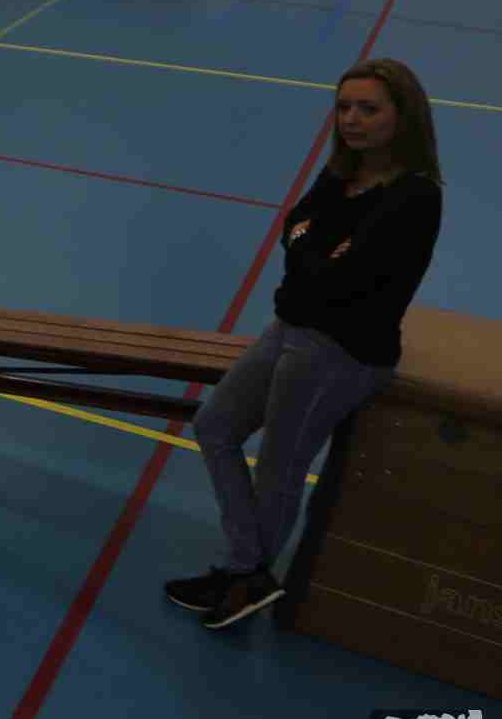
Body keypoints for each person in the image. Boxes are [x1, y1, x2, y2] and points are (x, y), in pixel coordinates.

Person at [169, 59, 446, 631]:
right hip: (289, 328)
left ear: (403, 117)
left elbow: (343, 276)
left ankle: (243, 575)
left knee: (280, 464)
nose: (351, 119)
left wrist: (314, 251)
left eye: (368, 109)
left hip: (340, 350)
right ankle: (250, 568)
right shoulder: (342, 173)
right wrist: (319, 252)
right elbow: (295, 228)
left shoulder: (415, 197)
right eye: (344, 107)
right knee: (215, 425)